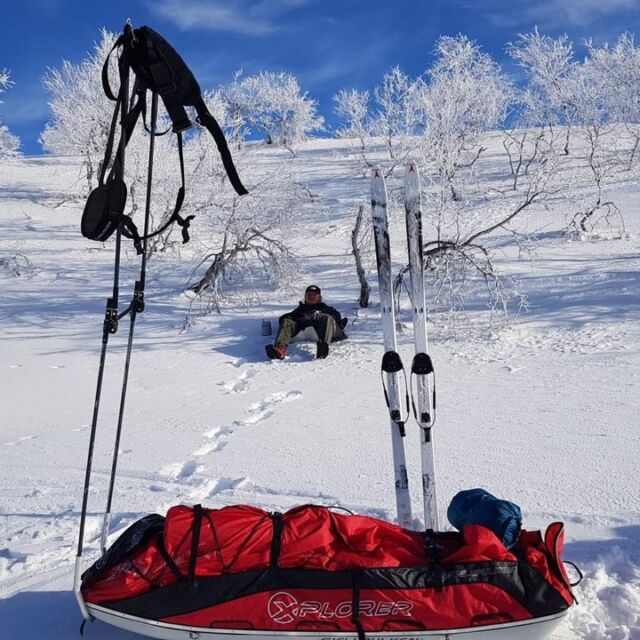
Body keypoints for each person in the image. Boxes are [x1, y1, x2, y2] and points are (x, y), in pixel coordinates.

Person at [266, 285, 347, 360]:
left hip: (323, 333)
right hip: (304, 331)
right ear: (305, 297)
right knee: (286, 321)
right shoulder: (300, 310)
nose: (311, 297)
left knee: (326, 317)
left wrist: (317, 317)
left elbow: (336, 318)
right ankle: (280, 349)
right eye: (309, 295)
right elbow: (286, 318)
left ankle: (323, 348)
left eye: (314, 295)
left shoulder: (326, 309)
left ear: (319, 297)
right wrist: (301, 319)